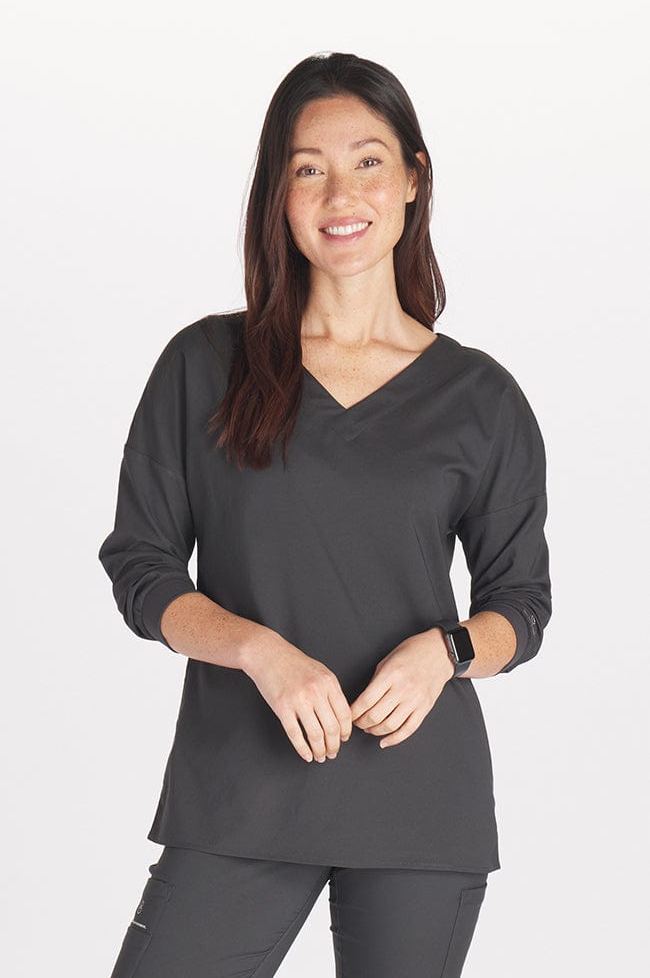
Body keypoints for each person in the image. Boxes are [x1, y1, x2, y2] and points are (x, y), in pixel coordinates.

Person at [98, 51, 552, 978]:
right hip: (238, 789)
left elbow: (522, 604)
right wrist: (259, 651)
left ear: (413, 177)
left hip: (419, 802)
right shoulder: (204, 365)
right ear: (279, 194)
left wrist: (446, 651)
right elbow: (142, 567)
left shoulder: (481, 398)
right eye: (308, 169)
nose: (341, 194)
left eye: (367, 161)